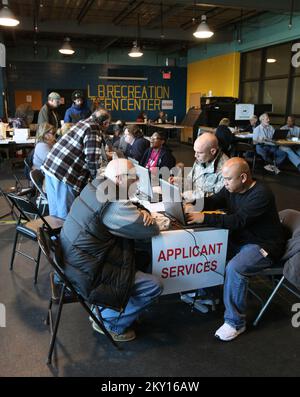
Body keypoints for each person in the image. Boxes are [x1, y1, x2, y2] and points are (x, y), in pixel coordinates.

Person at [59, 159, 163, 342]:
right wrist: (150, 218)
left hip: (75, 262)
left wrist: (142, 211)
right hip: (87, 274)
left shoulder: (97, 185)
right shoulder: (114, 204)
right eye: (134, 177)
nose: (137, 181)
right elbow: (150, 229)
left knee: (141, 257)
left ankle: (110, 309)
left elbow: (131, 210)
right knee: (154, 285)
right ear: (119, 178)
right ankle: (110, 322)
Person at [186, 157, 286, 341]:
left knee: (235, 268)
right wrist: (193, 203)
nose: (224, 183)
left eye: (228, 180)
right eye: (223, 179)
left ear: (243, 177)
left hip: (264, 245)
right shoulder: (232, 186)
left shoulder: (261, 194)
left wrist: (203, 218)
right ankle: (208, 293)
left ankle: (235, 323)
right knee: (210, 249)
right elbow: (215, 200)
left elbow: (238, 221)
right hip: (243, 238)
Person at [41, 108, 111, 219]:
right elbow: (92, 160)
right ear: (105, 123)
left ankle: (54, 236)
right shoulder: (94, 129)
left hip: (51, 166)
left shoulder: (83, 122)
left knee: (54, 212)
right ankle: (65, 235)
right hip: (63, 172)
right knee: (65, 214)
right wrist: (98, 182)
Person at [170, 133, 228, 206]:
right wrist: (180, 181)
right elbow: (191, 181)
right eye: (195, 151)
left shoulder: (226, 169)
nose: (195, 155)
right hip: (193, 202)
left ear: (213, 151)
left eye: (199, 152)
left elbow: (219, 199)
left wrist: (194, 195)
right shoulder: (201, 159)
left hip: (209, 207)